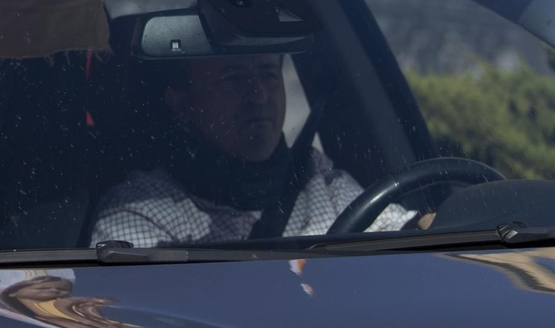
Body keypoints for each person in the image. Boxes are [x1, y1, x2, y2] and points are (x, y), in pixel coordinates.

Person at [91, 54, 414, 246]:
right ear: (181, 103)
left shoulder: (319, 179)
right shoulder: (141, 212)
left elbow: (408, 233)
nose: (258, 95)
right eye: (233, 78)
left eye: (268, 74)